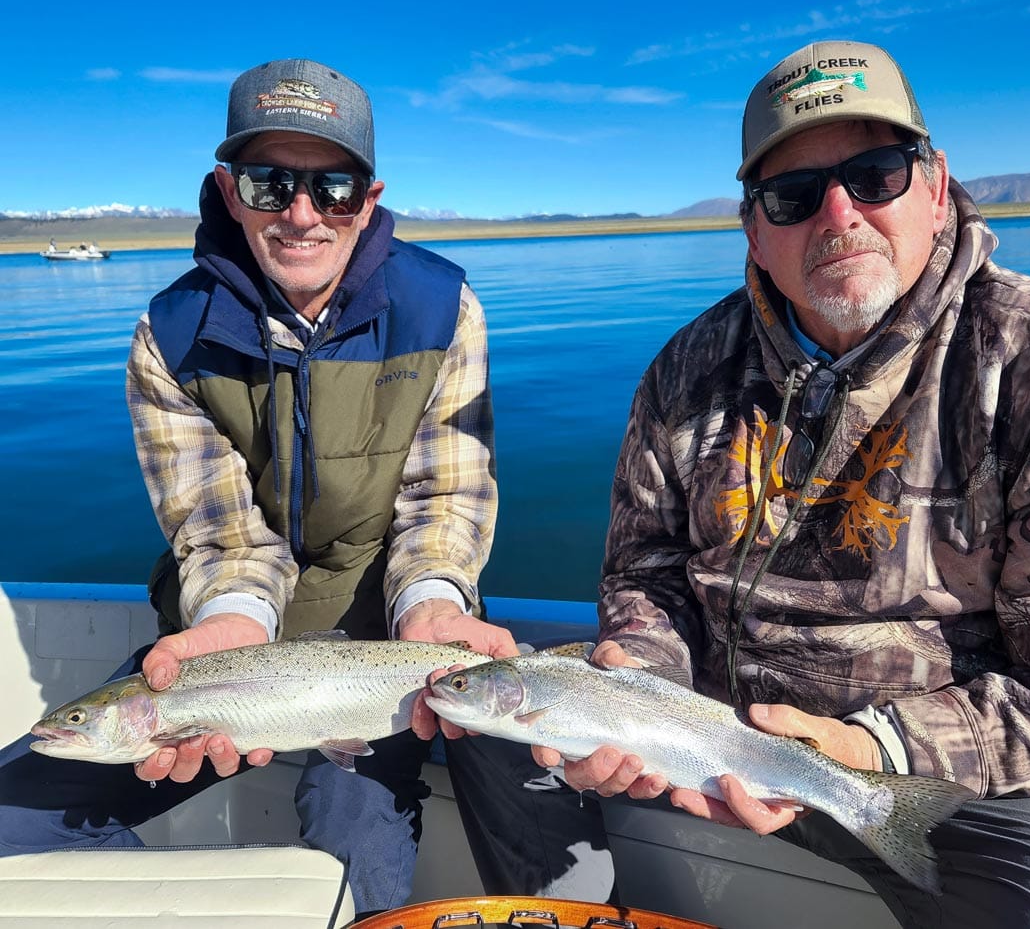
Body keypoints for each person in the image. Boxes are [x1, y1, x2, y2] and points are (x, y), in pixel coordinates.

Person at [541, 40, 1030, 927]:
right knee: (489, 740)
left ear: (934, 186)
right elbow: (646, 574)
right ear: (754, 228)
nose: (839, 214)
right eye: (794, 195)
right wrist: (639, 686)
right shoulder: (687, 371)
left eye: (876, 173)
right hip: (707, 742)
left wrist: (873, 747)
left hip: (974, 779)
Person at [0, 58, 612, 917]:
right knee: (9, 825)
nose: (301, 213)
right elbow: (221, 536)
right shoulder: (169, 337)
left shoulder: (443, 310)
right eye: (270, 181)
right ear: (226, 187)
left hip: (383, 649)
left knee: (354, 864)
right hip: (221, 648)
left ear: (369, 195)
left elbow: (443, 504)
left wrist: (432, 607)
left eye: (332, 187)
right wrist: (228, 630)